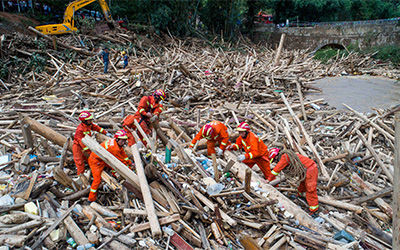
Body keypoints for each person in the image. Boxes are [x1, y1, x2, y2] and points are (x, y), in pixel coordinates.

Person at [267, 148, 319, 215]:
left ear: (276, 156)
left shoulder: (285, 157)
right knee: (303, 183)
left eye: (275, 160)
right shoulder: (286, 155)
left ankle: (314, 209)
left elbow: (276, 169)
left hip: (310, 168)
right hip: (305, 169)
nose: (275, 161)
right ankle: (301, 195)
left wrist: (268, 179)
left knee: (310, 189)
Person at [88, 130, 132, 202]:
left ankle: (115, 175)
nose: (124, 142)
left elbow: (123, 154)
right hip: (96, 161)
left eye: (125, 140)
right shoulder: (114, 148)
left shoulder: (117, 143)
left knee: (114, 168)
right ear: (117, 139)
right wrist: (129, 166)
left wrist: (129, 162)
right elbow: (119, 161)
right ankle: (91, 199)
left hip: (103, 159)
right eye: (122, 140)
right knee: (97, 180)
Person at [73, 111, 110, 184]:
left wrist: (105, 132)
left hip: (86, 143)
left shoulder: (89, 125)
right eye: (89, 120)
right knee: (79, 162)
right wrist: (90, 151)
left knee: (87, 159)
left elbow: (96, 128)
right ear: (84, 121)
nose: (91, 121)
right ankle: (81, 178)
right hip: (78, 146)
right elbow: (81, 142)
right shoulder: (80, 129)